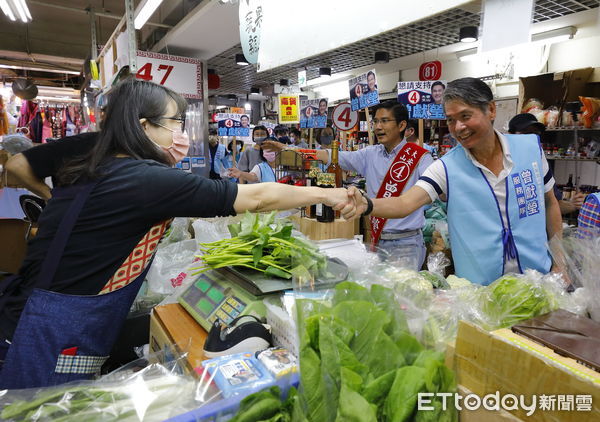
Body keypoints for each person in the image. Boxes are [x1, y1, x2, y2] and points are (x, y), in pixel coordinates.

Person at [0, 79, 355, 389]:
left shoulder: (92, 159)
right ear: (144, 127)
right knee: (41, 408)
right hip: (53, 332)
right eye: (175, 122)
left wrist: (50, 204)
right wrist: (326, 194)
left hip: (32, 308)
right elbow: (258, 196)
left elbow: (17, 166)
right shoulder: (144, 180)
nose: (179, 132)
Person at [345, 77, 563, 286]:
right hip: (479, 291)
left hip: (539, 280)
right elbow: (405, 203)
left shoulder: (530, 149)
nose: (458, 127)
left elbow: (550, 203)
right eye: (450, 120)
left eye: (466, 116)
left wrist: (560, 264)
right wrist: (367, 204)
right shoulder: (447, 167)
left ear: (491, 110)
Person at [265, 101, 434, 269]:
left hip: (407, 243)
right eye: (375, 121)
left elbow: (428, 194)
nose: (378, 127)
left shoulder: (420, 158)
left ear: (402, 125)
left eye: (384, 121)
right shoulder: (369, 154)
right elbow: (328, 155)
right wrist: (288, 149)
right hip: (377, 239)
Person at [508, 112, 586, 215]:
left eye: (536, 134)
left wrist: (572, 204)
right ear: (510, 134)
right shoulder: (502, 163)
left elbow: (551, 204)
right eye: (526, 133)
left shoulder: (540, 164)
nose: (532, 138)